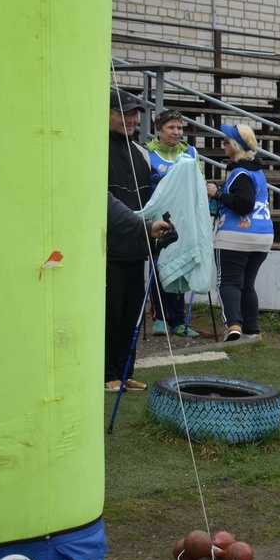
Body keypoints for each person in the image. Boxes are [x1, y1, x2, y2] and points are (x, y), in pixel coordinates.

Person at [106, 88, 170, 392]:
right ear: (106, 115)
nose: (131, 119)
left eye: (134, 114)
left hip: (138, 249)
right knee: (110, 315)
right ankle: (107, 374)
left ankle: (124, 370)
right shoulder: (97, 149)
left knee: (132, 315)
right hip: (108, 250)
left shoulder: (139, 153)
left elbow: (153, 199)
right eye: (123, 113)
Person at [207, 123, 273, 342]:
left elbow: (244, 204)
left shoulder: (240, 171)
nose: (223, 145)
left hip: (236, 235)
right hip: (262, 235)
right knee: (247, 285)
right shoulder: (258, 171)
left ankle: (233, 326)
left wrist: (218, 194)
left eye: (225, 141)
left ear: (235, 146)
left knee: (228, 282)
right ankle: (252, 330)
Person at [145, 109, 203, 337]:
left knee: (181, 266)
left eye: (180, 128)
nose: (177, 132)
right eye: (171, 127)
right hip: (157, 222)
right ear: (159, 130)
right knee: (158, 267)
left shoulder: (189, 152)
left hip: (183, 224)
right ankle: (159, 318)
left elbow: (199, 182)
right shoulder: (147, 152)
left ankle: (178, 321)